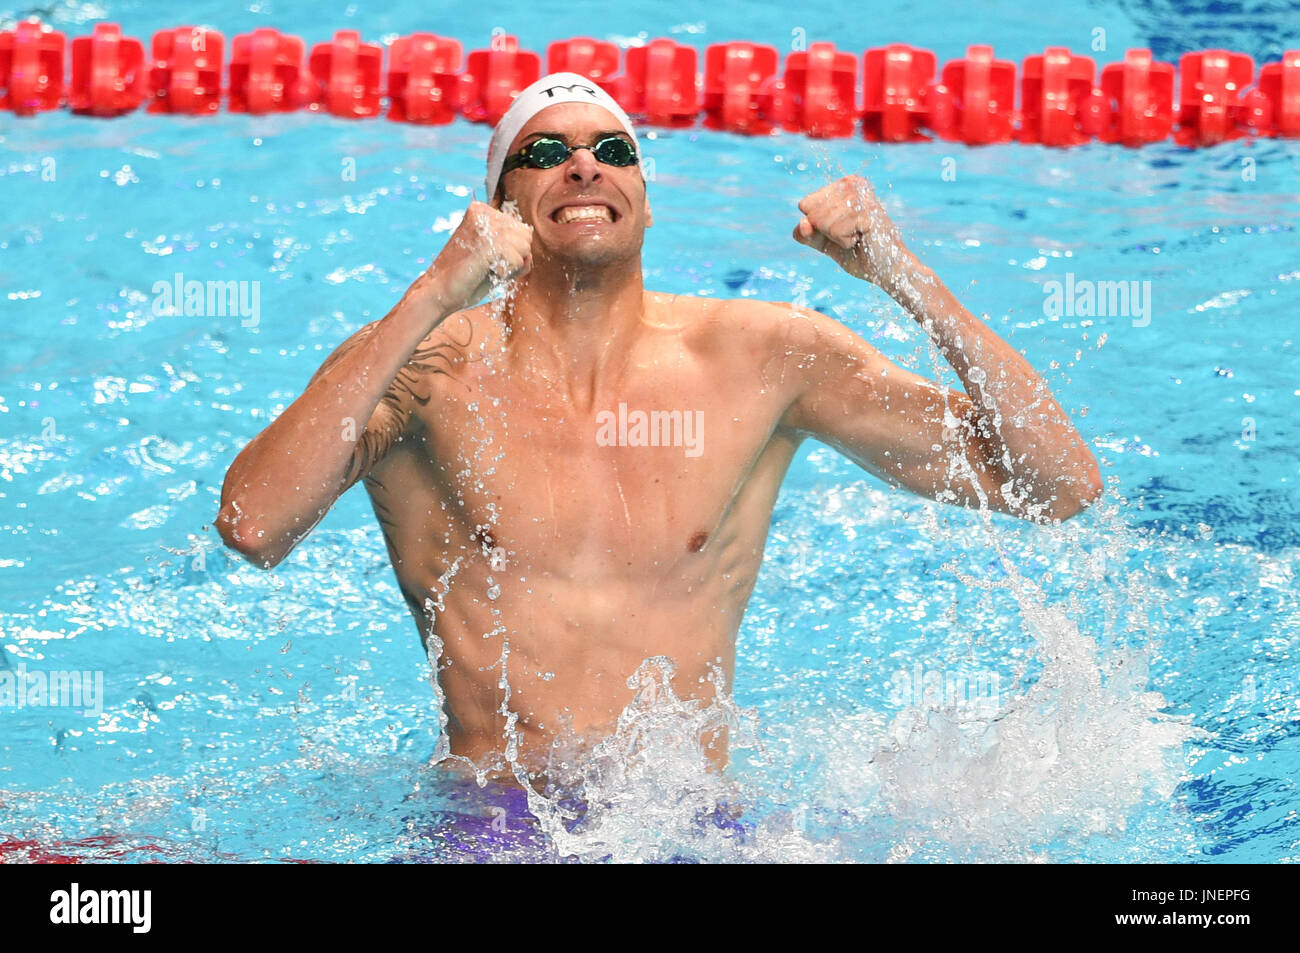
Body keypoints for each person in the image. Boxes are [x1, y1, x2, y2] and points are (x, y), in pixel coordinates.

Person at [215, 72, 1102, 795]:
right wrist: (429, 295)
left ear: (644, 196)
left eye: (613, 150)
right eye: (545, 153)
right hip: (493, 821)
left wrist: (900, 273)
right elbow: (255, 523)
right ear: (500, 203)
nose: (584, 167)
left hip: (688, 824)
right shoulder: (425, 370)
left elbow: (1061, 486)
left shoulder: (762, 359)